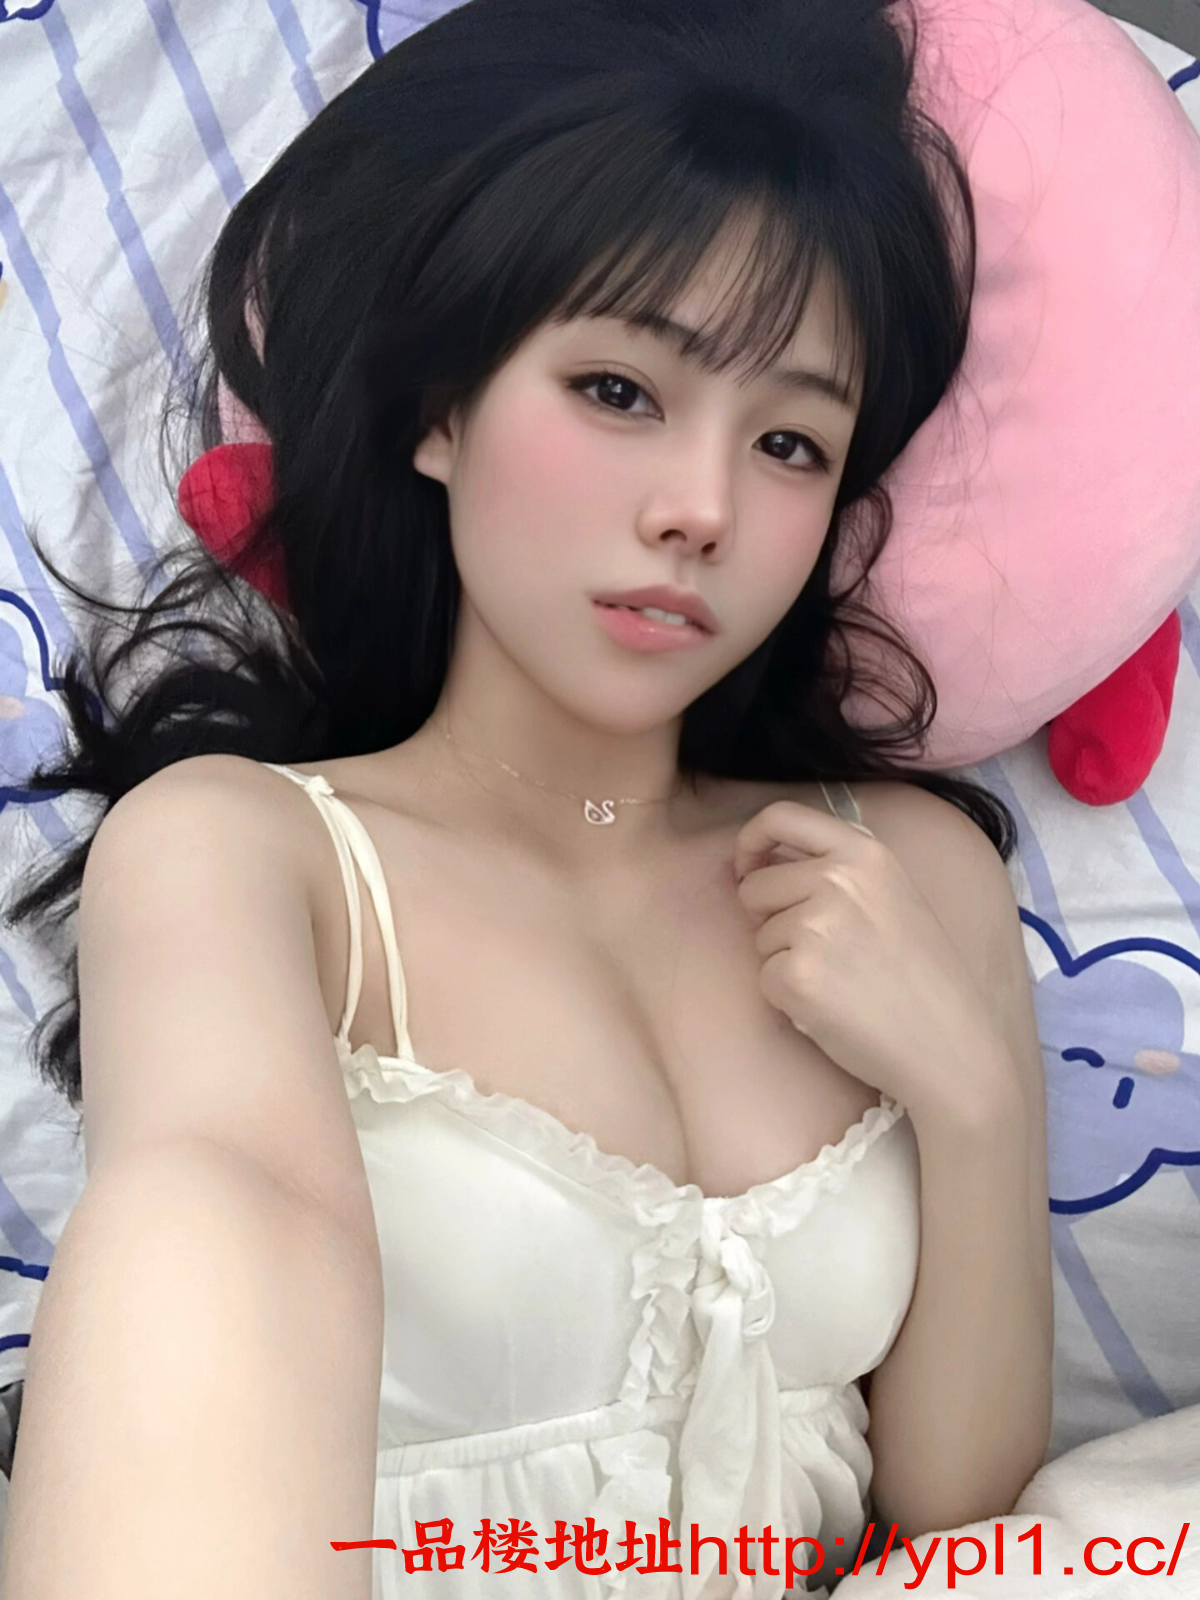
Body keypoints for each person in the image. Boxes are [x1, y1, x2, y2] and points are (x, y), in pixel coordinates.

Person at [0, 0, 1053, 1595]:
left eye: (789, 441)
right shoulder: (253, 858)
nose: (701, 508)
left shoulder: (905, 876)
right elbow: (210, 1242)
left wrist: (972, 1105)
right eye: (619, 391)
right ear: (441, 408)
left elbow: (961, 1520)